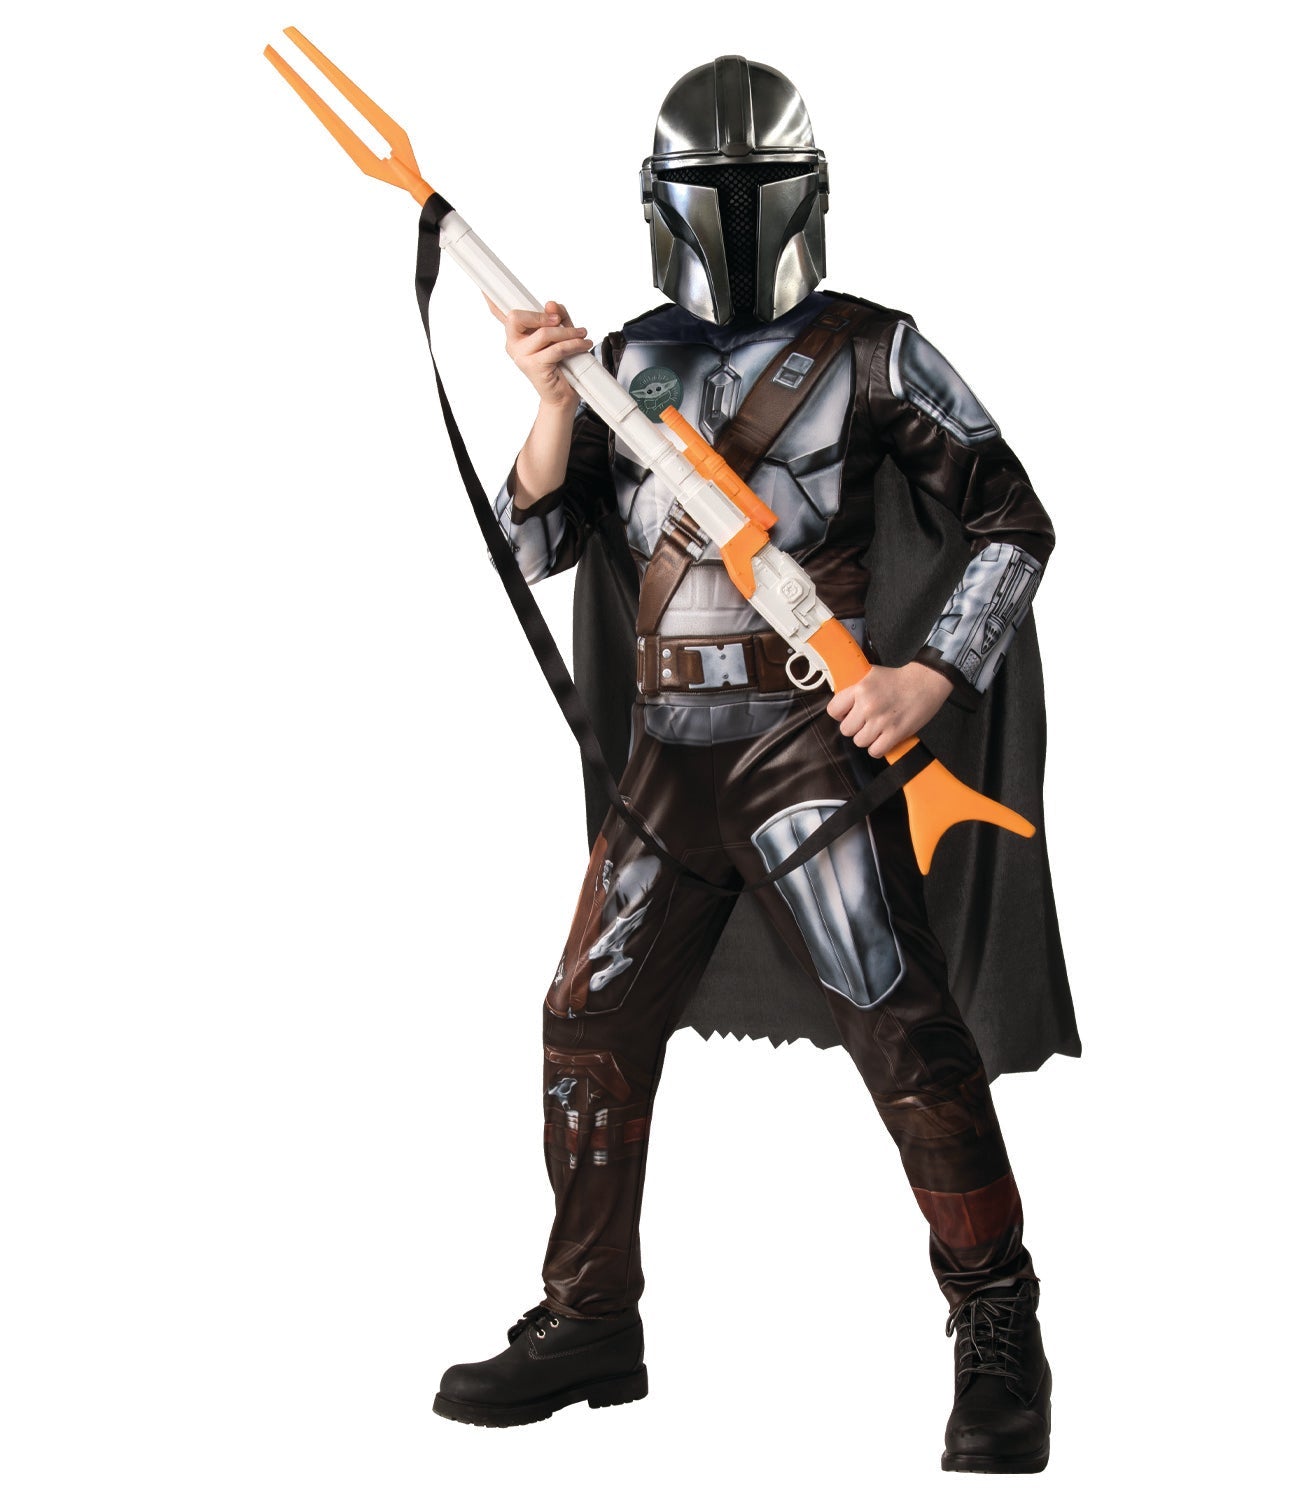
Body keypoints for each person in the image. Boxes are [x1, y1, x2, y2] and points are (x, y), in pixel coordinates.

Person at [432, 56, 1073, 1474]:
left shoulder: (875, 352)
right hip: (669, 761)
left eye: (755, 189)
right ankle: (589, 1320)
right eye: (708, 193)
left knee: (905, 1032)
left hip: (806, 753)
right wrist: (551, 398)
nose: (732, 216)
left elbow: (1011, 522)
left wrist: (927, 675)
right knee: (586, 1024)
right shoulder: (623, 364)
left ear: (805, 195)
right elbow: (535, 543)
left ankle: (997, 1320)